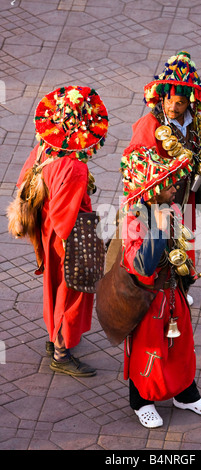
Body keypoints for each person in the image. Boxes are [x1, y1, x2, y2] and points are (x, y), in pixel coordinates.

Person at [9, 86, 109, 377]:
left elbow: (23, 184)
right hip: (67, 235)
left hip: (46, 232)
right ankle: (61, 353)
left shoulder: (43, 149)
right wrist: (78, 251)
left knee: (53, 289)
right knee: (72, 292)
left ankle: (55, 337)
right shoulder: (74, 166)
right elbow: (66, 214)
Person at [119, 145, 201, 428]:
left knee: (182, 346)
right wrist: (159, 229)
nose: (175, 187)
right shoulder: (133, 219)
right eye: (168, 185)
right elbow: (143, 266)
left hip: (174, 293)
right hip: (147, 300)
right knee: (147, 351)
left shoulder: (170, 206)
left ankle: (186, 393)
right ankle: (141, 400)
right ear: (151, 191)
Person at [125, 51, 201, 305]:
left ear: (190, 103)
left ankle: (182, 286)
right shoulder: (150, 123)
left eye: (179, 103)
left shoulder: (194, 123)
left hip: (188, 195)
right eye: (169, 101)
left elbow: (199, 146)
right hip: (162, 198)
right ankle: (164, 290)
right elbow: (137, 163)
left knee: (188, 239)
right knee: (163, 241)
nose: (172, 107)